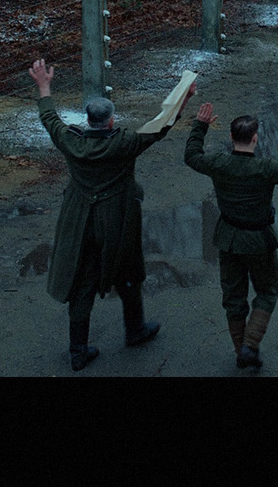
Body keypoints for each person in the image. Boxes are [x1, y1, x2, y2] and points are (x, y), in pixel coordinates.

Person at [31, 58, 186, 371]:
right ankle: (135, 329)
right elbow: (161, 125)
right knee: (128, 272)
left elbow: (50, 119)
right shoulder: (125, 144)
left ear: (89, 121)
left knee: (81, 282)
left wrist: (44, 86)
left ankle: (78, 350)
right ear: (112, 121)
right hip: (118, 222)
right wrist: (185, 95)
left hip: (81, 222)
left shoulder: (72, 143)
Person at [184, 99, 278, 370]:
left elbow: (191, 156)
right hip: (259, 241)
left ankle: (243, 352)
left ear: (231, 137)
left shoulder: (219, 164)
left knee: (233, 298)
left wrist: (200, 126)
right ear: (256, 139)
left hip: (228, 240)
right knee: (268, 291)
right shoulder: (265, 169)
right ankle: (249, 346)